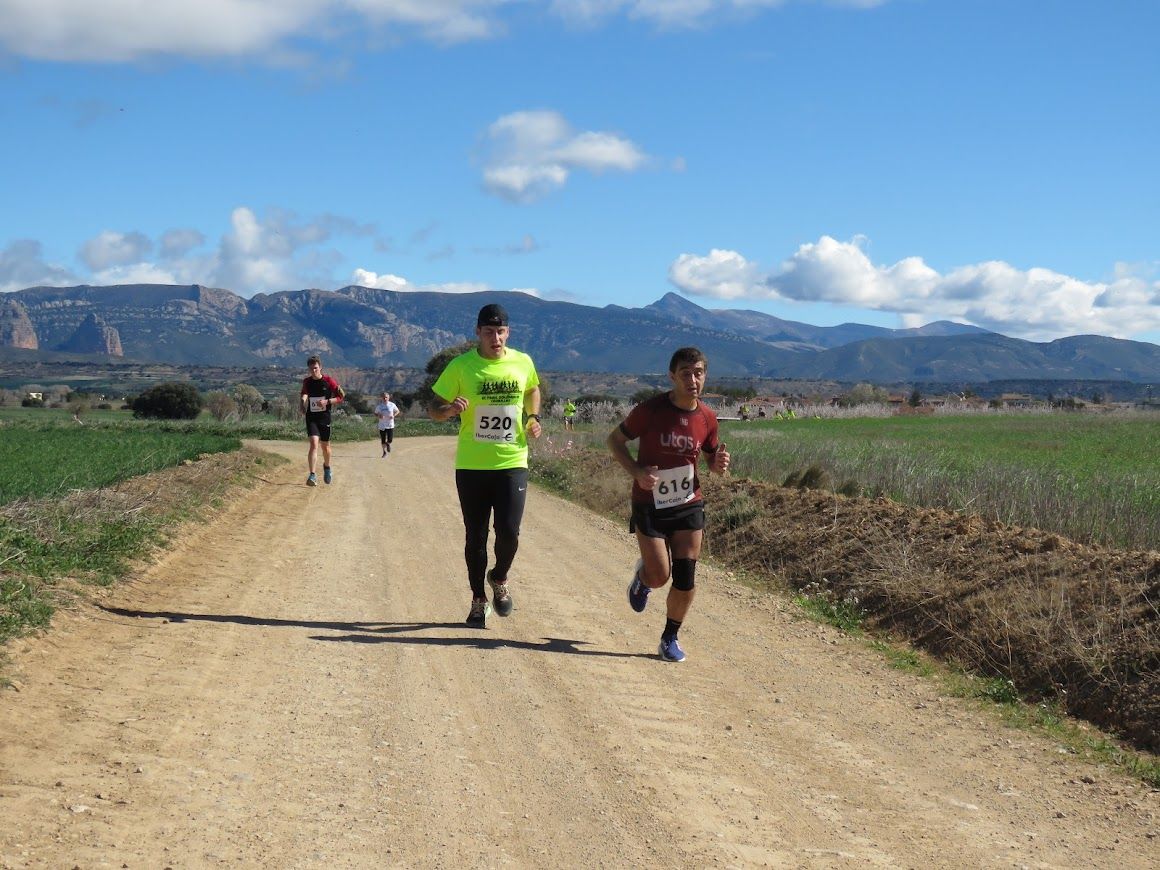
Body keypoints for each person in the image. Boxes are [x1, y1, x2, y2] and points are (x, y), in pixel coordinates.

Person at [607, 346, 730, 662]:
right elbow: (615, 441)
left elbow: (711, 457)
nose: (693, 380)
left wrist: (717, 465)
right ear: (672, 376)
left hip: (689, 503)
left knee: (686, 575)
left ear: (705, 375)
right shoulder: (651, 410)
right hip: (650, 503)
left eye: (699, 373)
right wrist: (636, 471)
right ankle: (644, 579)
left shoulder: (707, 418)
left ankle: (669, 637)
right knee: (660, 575)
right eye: (686, 374)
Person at [428, 303, 543, 628]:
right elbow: (433, 409)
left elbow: (533, 389)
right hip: (472, 465)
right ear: (478, 332)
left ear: (508, 332)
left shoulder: (522, 362)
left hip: (512, 461)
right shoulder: (461, 366)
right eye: (489, 331)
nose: (496, 337)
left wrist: (532, 416)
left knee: (509, 532)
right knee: (475, 536)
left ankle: (499, 576)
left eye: (501, 331)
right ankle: (478, 600)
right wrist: (449, 409)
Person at [300, 355, 345, 486]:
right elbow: (304, 393)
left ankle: (327, 467)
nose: (313, 371)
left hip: (325, 417)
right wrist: (302, 403)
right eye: (311, 369)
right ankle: (312, 475)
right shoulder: (307, 382)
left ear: (320, 367)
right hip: (311, 416)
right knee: (314, 443)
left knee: (325, 447)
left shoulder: (329, 381)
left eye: (315, 368)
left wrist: (327, 401)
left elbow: (341, 397)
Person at [374, 391, 403, 457]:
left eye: (386, 397)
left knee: (390, 439)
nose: (385, 398)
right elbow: (375, 413)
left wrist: (393, 415)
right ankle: (384, 452)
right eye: (383, 397)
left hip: (390, 425)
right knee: (383, 439)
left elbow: (397, 411)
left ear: (388, 398)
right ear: (381, 398)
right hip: (382, 425)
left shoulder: (392, 405)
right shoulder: (379, 406)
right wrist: (379, 416)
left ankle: (388, 444)